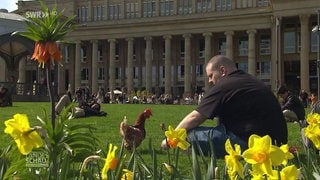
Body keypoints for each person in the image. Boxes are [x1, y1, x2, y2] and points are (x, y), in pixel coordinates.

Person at [160, 55, 288, 158]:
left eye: (211, 75)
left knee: (188, 136)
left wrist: (171, 139)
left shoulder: (225, 84)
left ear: (222, 71)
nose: (209, 81)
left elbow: (196, 117)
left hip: (250, 144)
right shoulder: (249, 80)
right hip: (276, 144)